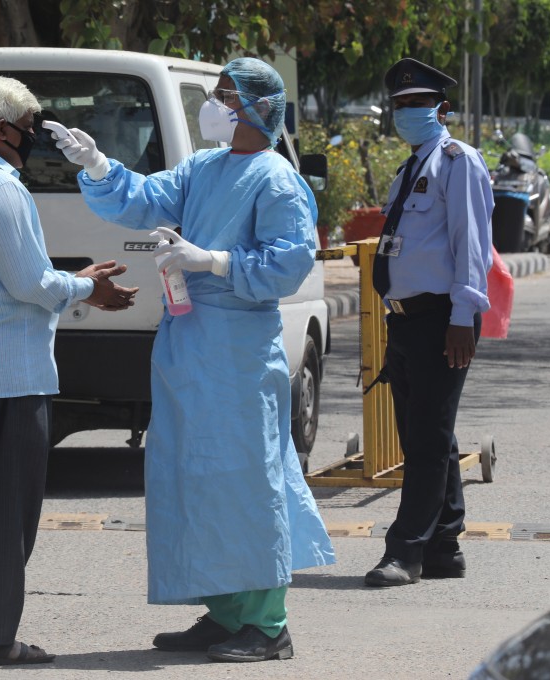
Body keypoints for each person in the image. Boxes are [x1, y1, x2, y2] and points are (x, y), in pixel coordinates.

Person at [52, 57, 335, 663]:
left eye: (225, 95)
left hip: (236, 349)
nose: (214, 103)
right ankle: (224, 610)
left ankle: (266, 624)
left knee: (246, 483)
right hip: (190, 346)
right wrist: (98, 165)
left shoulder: (276, 179)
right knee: (195, 478)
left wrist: (214, 262)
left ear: (257, 107)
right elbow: (143, 199)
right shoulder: (204, 168)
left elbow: (289, 263)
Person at [0, 72, 139, 666]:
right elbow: (31, 283)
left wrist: (77, 286)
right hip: (9, 372)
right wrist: (87, 287)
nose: (32, 139)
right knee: (5, 510)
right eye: (29, 128)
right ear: (0, 129)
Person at [363, 58, 493, 587]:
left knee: (423, 440)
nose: (406, 113)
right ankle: (444, 546)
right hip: (406, 318)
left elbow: (472, 244)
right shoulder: (410, 167)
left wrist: (463, 315)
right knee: (429, 434)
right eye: (399, 105)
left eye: (417, 104)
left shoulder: (457, 161)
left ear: (442, 109)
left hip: (443, 317)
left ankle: (406, 552)